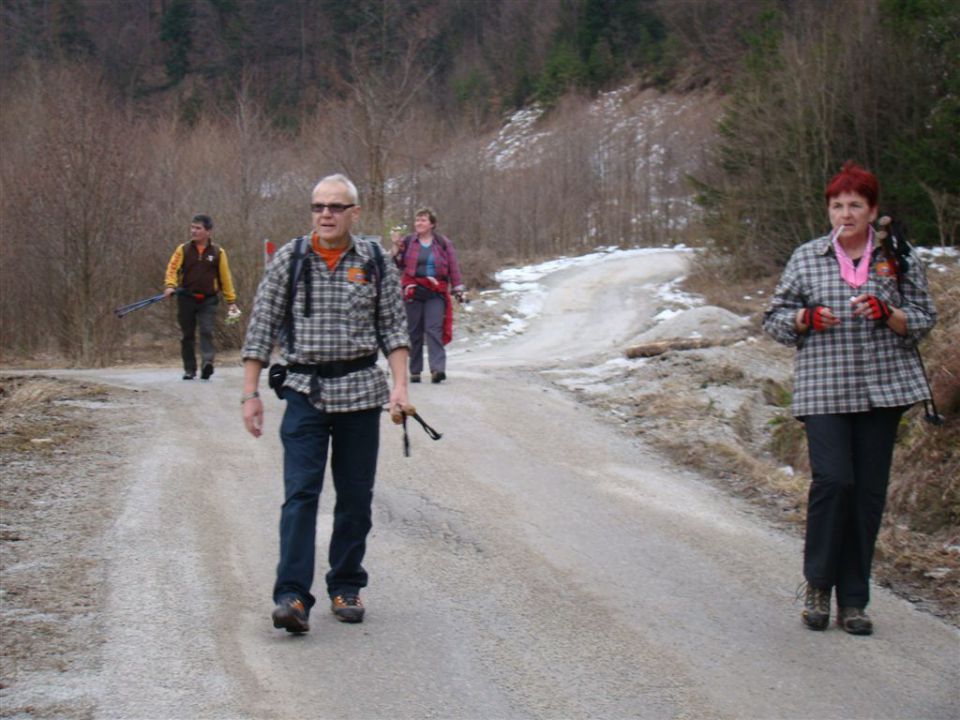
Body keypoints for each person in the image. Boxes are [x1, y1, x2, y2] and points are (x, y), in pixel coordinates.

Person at [762, 161, 937, 635]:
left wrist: (889, 313)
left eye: (855, 205)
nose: (845, 214)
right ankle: (818, 585)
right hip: (824, 389)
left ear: (872, 210)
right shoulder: (807, 257)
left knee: (867, 496)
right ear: (829, 211)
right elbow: (774, 318)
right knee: (834, 482)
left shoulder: (898, 258)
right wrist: (805, 318)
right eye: (837, 205)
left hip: (884, 391)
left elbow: (924, 318)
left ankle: (854, 601)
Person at [241, 174, 409, 634]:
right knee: (300, 496)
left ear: (354, 213)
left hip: (359, 392)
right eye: (319, 207)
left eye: (336, 207)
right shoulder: (289, 260)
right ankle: (292, 596)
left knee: (355, 498)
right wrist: (251, 393)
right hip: (304, 393)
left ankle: (346, 585)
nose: (326, 215)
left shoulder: (374, 260)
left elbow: (394, 329)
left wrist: (400, 386)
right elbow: (260, 328)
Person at [390, 208, 465, 384]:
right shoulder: (408, 241)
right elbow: (397, 263)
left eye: (423, 220)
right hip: (413, 290)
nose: (419, 224)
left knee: (434, 329)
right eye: (417, 220)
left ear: (432, 224)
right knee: (414, 331)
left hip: (435, 291)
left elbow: (453, 266)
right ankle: (415, 371)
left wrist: (458, 288)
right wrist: (395, 245)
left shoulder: (442, 243)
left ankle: (437, 369)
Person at [164, 214, 239, 380]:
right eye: (192, 227)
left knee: (206, 330)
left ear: (208, 231)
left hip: (208, 300)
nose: (194, 231)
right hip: (186, 297)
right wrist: (170, 286)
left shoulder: (218, 252)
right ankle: (190, 369)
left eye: (198, 228)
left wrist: (231, 301)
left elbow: (225, 278)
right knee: (187, 335)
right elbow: (172, 269)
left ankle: (207, 363)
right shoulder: (183, 249)